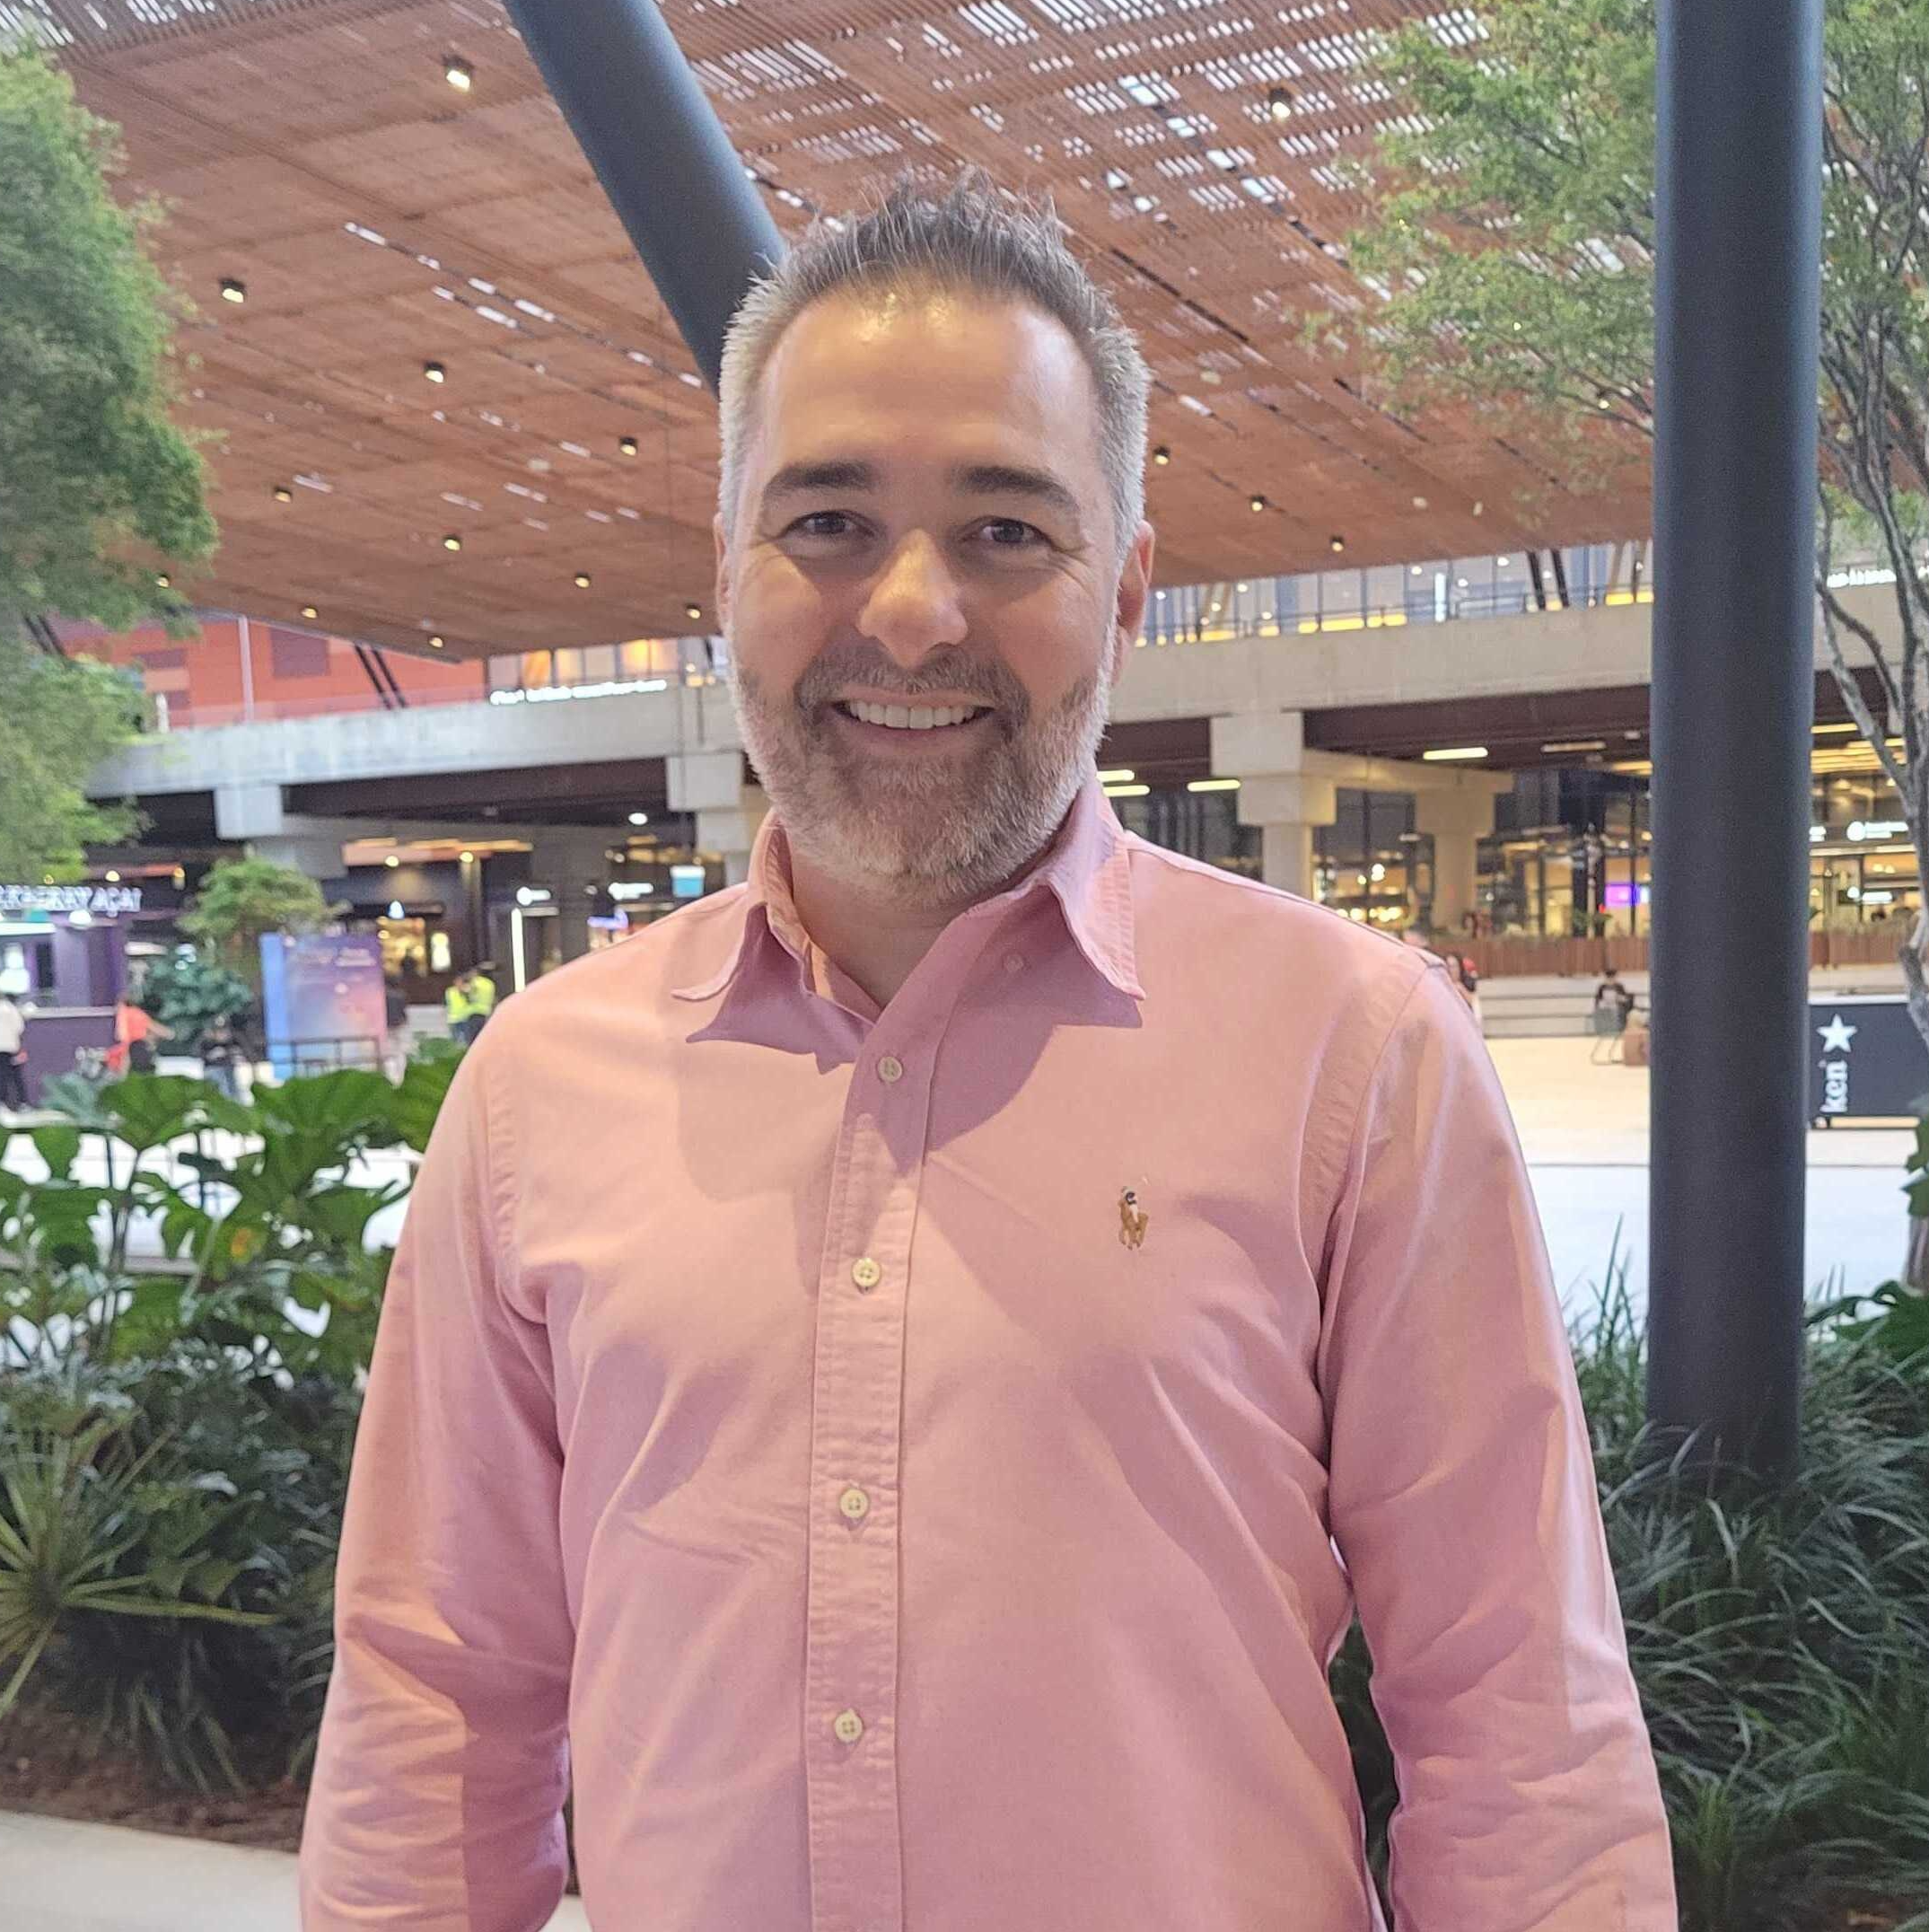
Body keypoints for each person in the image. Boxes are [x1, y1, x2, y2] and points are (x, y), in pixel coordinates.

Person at [302, 177, 1676, 1932]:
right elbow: (438, 1688)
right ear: (723, 573)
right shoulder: (536, 1088)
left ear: (1127, 592)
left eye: (1007, 530)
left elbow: (1513, 1712)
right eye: (825, 521)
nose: (910, 611)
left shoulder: (1356, 1052)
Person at [109, 991, 169, 1077]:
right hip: (130, 1046)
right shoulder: (138, 1015)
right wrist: (170, 1034)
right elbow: (157, 1029)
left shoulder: (123, 1012)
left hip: (120, 1047)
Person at [0, 991, 27, 1113]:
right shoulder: (12, 1009)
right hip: (11, 1048)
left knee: (2, 1075)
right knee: (15, 1075)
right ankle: (22, 1103)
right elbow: (19, 1028)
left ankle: (2, 1102)